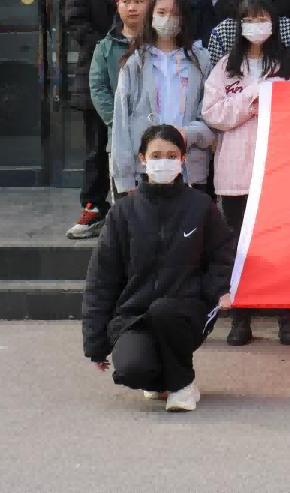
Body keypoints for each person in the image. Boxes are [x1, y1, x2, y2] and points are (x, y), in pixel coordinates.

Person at [82, 124, 233, 413]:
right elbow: (101, 279)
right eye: (156, 155)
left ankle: (182, 384)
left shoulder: (201, 206)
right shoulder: (123, 212)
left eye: (172, 155)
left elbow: (222, 253)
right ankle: (160, 380)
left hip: (187, 311)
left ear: (183, 159)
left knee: (164, 310)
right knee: (131, 370)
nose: (164, 161)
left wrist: (219, 289)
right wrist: (95, 344)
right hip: (135, 315)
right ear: (142, 159)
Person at [203, 0, 290, 347]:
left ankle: (287, 318)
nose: (256, 25)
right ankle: (241, 319)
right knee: (238, 247)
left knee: (283, 245)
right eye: (249, 19)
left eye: (262, 18)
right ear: (239, 25)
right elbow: (213, 113)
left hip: (279, 168)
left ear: (274, 23)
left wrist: (270, 100)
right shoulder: (225, 67)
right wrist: (253, 98)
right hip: (236, 172)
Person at [65, 0, 156, 239]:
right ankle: (94, 208)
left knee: (150, 139)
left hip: (148, 59)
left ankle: (146, 208)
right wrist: (108, 45)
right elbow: (74, 18)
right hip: (100, 64)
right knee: (97, 145)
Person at [110, 0, 213, 196]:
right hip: (144, 170)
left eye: (175, 13)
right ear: (151, 16)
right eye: (162, 12)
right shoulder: (135, 63)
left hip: (189, 170)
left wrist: (188, 133)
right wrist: (124, 178)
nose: (168, 19)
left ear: (184, 18)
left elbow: (210, 115)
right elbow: (121, 122)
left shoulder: (200, 60)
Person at [76, 0, 153, 239]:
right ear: (117, 5)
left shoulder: (159, 44)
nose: (132, 7)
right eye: (126, 1)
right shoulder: (105, 47)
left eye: (139, 1)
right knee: (125, 194)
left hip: (157, 133)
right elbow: (98, 88)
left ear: (150, 4)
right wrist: (117, 120)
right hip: (119, 135)